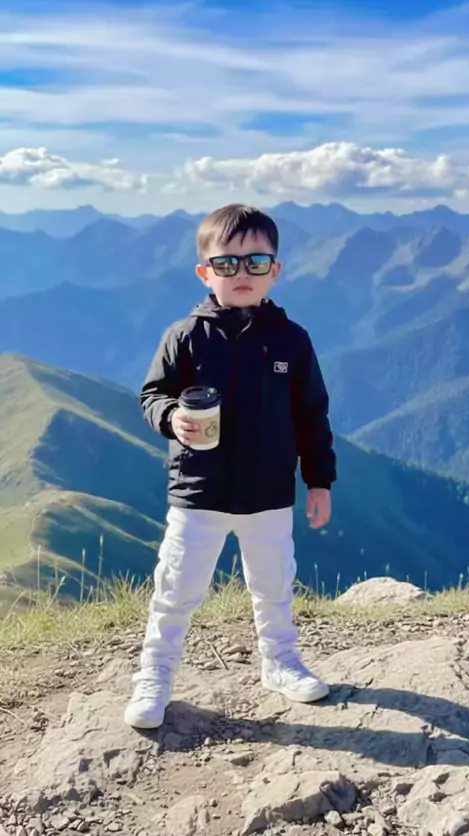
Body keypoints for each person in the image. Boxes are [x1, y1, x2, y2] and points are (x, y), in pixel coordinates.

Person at [124, 204, 337, 729]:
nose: (242, 273)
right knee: (177, 588)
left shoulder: (292, 340)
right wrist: (171, 417)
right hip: (199, 490)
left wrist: (319, 481)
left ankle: (280, 662)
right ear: (205, 272)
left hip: (269, 491)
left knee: (274, 585)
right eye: (226, 263)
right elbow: (152, 395)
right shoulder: (185, 336)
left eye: (256, 262)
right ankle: (156, 675)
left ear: (275, 270)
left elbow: (311, 414)